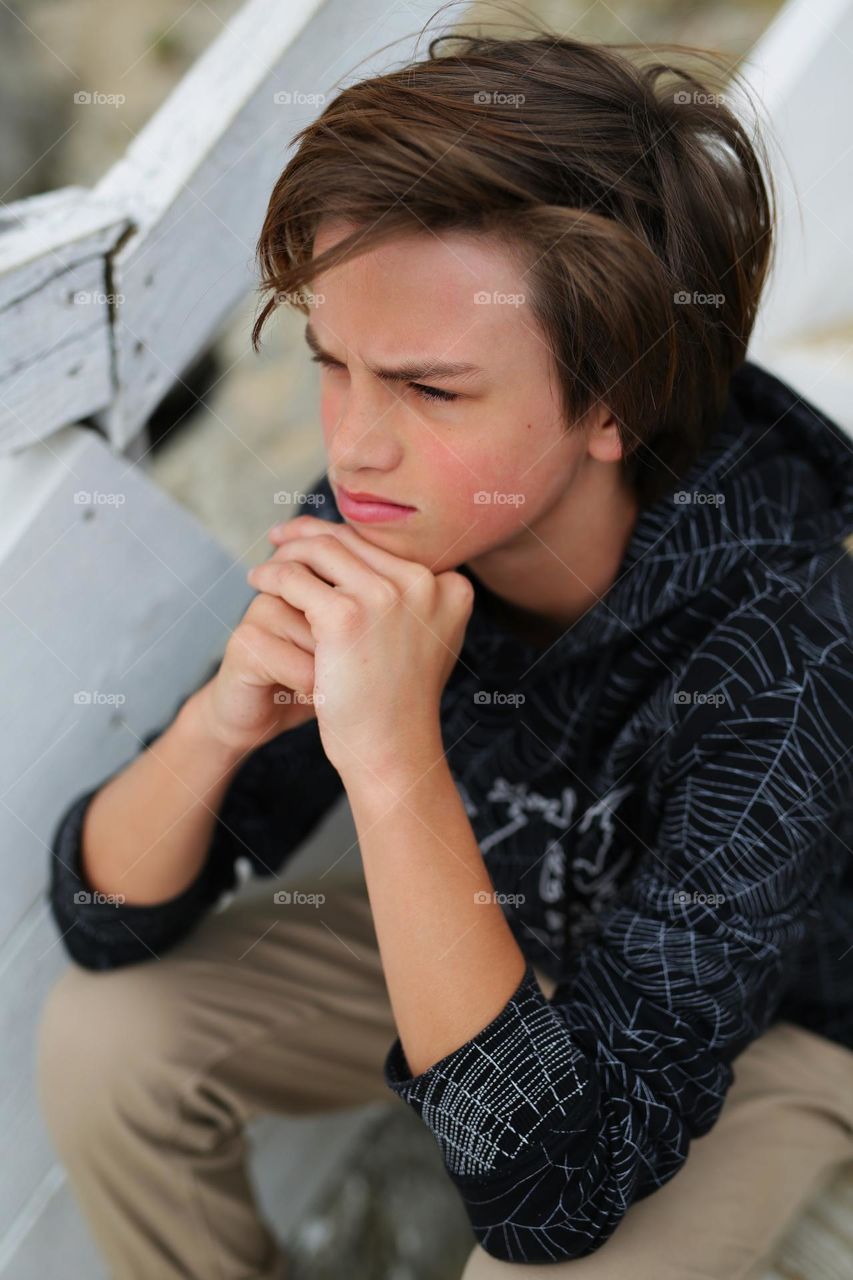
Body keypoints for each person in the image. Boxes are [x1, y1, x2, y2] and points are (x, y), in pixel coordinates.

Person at [36, 25, 853, 1280]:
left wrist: (392, 754)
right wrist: (220, 728)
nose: (356, 446)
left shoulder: (792, 639)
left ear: (612, 400)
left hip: (768, 1019)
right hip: (499, 906)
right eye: (331, 364)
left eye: (430, 389)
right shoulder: (396, 509)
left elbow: (547, 1195)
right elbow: (106, 924)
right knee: (109, 1040)